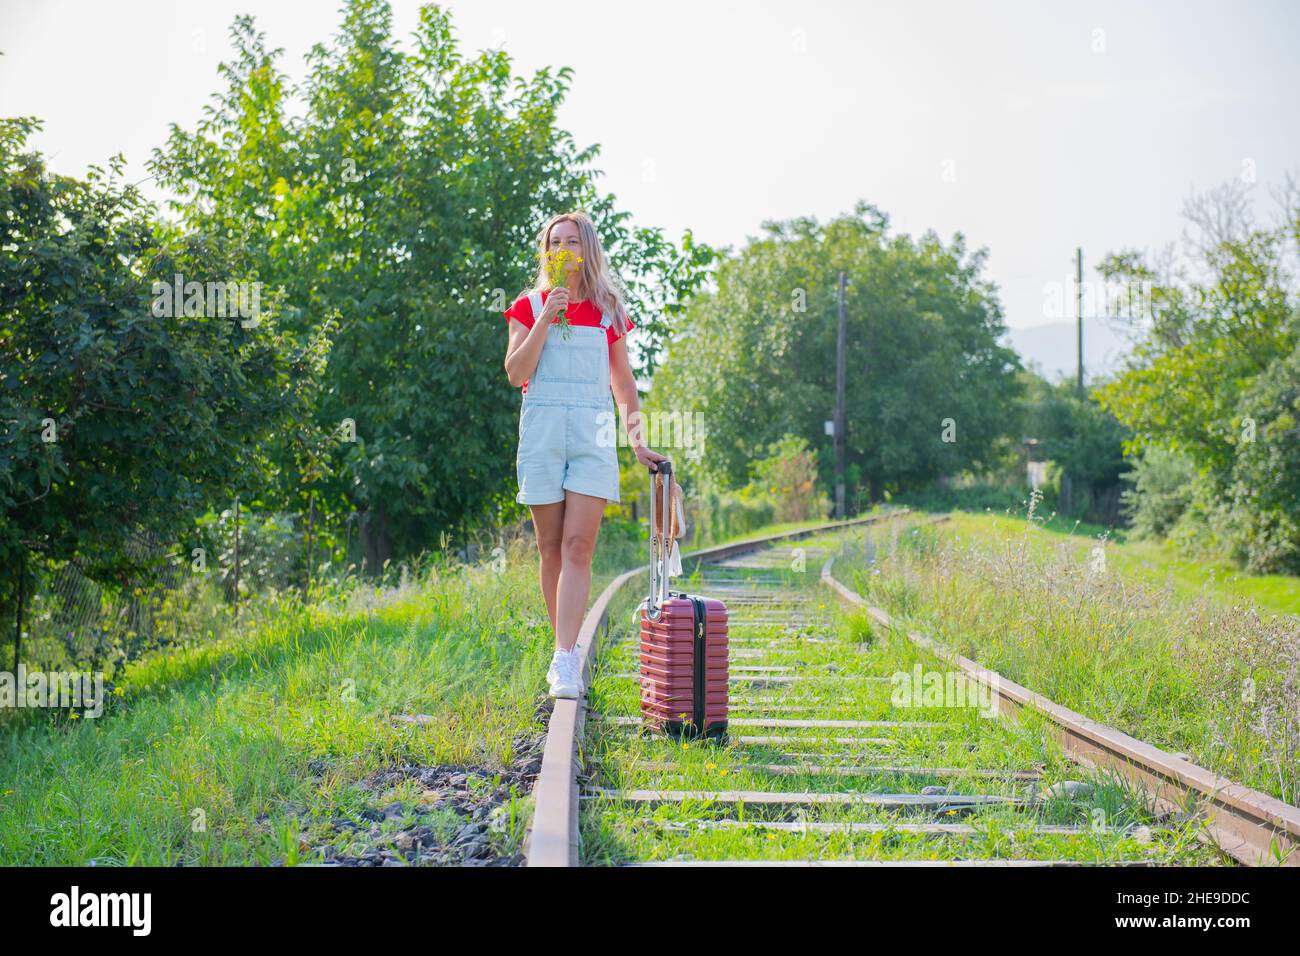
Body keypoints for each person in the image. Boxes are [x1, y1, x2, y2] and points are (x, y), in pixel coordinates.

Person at [503, 212, 667, 699]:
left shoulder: (608, 308)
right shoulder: (528, 305)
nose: (564, 249)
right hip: (544, 432)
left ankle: (564, 660)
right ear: (546, 251)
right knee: (551, 548)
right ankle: (566, 651)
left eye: (573, 241)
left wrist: (637, 440)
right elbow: (516, 373)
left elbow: (623, 383)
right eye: (556, 242)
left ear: (587, 248)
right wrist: (547, 317)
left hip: (594, 434)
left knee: (579, 546)